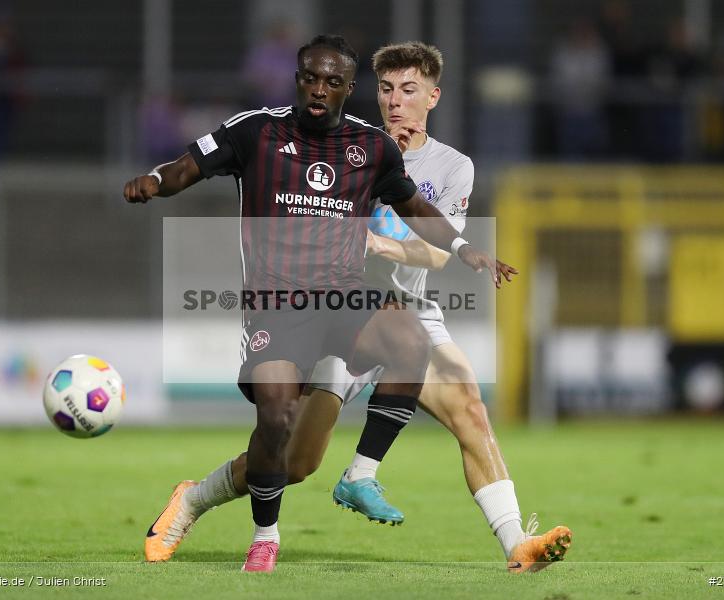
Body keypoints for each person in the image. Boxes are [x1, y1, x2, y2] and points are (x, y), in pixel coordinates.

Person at [138, 41, 567, 575]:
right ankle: (194, 500)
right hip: (329, 304)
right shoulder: (349, 141)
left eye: (409, 91)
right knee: (294, 462)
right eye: (386, 89)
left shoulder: (453, 167)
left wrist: (390, 241)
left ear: (433, 97)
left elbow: (434, 250)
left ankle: (513, 544)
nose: (395, 102)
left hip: (401, 308)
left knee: (470, 409)